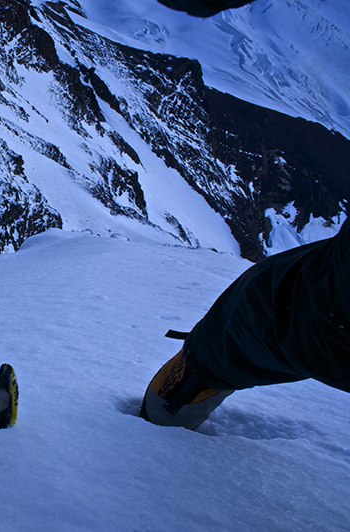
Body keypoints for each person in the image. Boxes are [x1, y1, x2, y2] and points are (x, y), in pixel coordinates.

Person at [140, 0, 350, 429]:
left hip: (308, 310)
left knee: (280, 306)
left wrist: (203, 361)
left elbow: (316, 314)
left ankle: (182, 392)